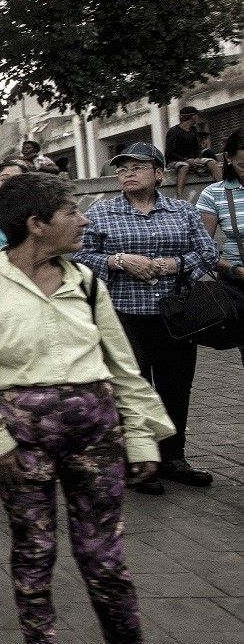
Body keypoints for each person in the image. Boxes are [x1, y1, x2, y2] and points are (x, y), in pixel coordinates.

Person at [0, 173, 175, 644]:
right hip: (19, 440)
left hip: (95, 435)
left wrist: (144, 435)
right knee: (34, 550)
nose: (84, 220)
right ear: (36, 223)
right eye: (71, 211)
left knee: (105, 557)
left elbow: (121, 364)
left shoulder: (88, 281)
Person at [73, 142, 219, 494]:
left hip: (176, 315)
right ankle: (139, 461)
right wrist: (118, 260)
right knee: (133, 388)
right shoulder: (101, 213)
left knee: (176, 385)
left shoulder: (182, 211)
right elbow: (79, 257)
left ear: (158, 173)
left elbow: (208, 253)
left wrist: (177, 265)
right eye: (122, 168)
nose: (127, 173)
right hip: (125, 315)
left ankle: (173, 457)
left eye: (137, 167)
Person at [197, 129, 244, 367]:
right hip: (238, 286)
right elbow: (203, 251)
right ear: (229, 158)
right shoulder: (213, 194)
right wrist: (235, 270)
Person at [165, 105, 222, 197]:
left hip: (192, 160)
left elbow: (197, 149)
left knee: (211, 162)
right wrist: (186, 160)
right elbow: (169, 153)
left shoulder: (193, 130)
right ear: (192, 116)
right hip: (175, 161)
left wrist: (197, 160)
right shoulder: (173, 131)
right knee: (184, 167)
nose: (198, 117)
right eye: (196, 115)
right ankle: (179, 196)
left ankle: (223, 188)